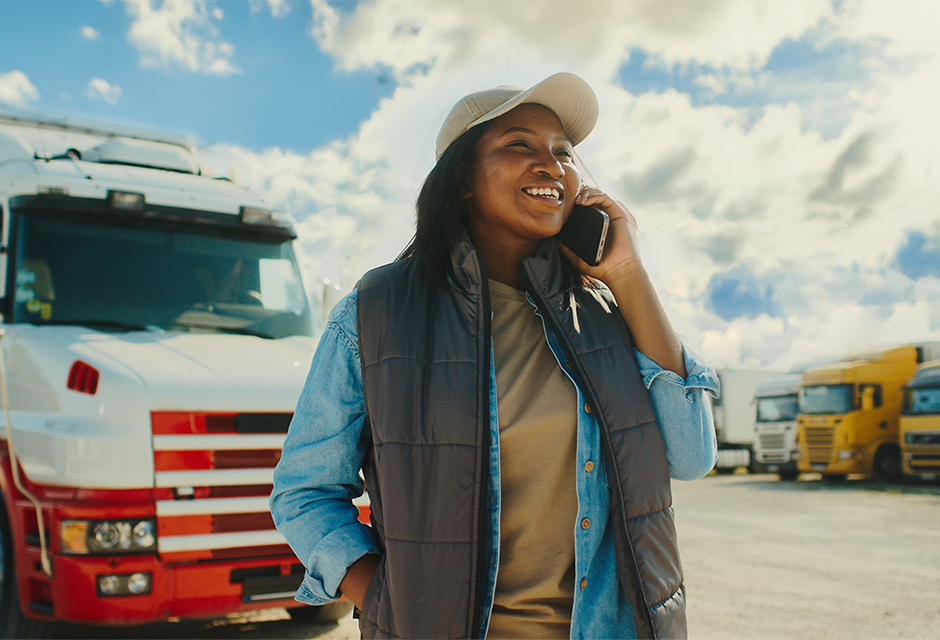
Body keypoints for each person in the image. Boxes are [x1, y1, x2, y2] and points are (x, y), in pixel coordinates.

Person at [271, 72, 719, 640]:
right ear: (462, 179)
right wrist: (384, 598)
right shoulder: (377, 313)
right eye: (519, 145)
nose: (551, 165)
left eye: (564, 152)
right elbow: (304, 491)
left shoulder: (609, 311)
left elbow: (692, 454)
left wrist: (628, 275)